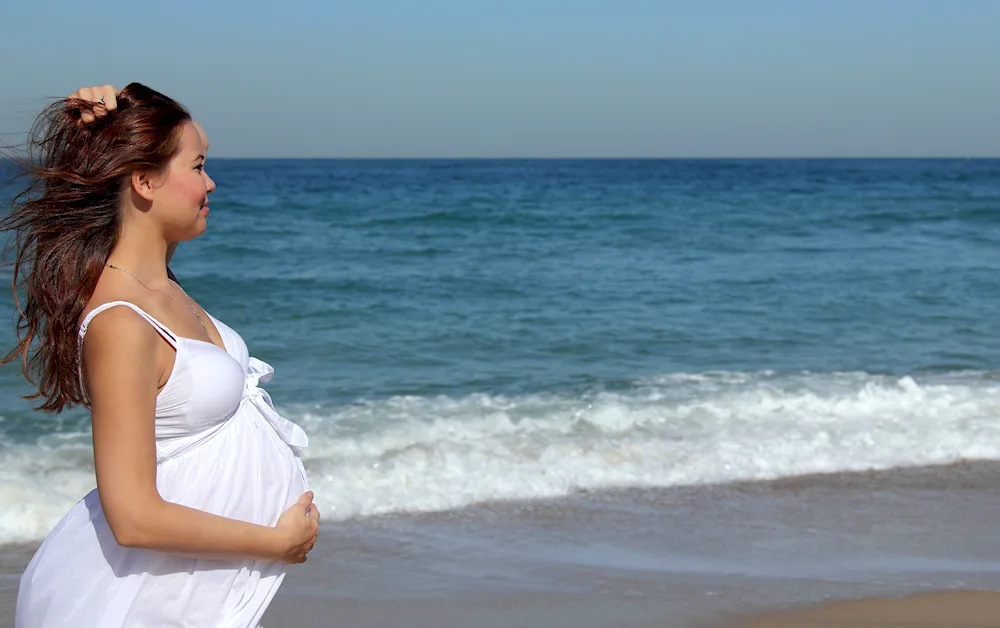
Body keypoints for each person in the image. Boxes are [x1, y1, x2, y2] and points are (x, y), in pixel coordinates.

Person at [3, 83, 320, 628]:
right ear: (144, 180)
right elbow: (132, 517)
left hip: (176, 594)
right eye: (197, 166)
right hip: (126, 604)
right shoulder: (121, 322)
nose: (210, 182)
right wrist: (273, 543)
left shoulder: (161, 285)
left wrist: (112, 110)